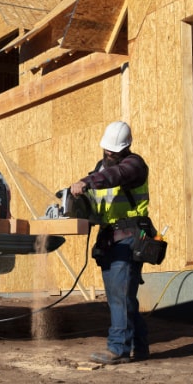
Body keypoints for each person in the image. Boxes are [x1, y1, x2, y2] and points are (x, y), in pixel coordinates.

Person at [69, 121, 151, 365]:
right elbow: (97, 180)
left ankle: (118, 349)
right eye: (107, 150)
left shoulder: (135, 165)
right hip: (109, 239)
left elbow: (116, 175)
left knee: (119, 296)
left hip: (128, 237)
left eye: (114, 151)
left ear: (126, 148)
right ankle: (140, 346)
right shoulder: (100, 169)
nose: (109, 154)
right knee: (123, 297)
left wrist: (88, 182)